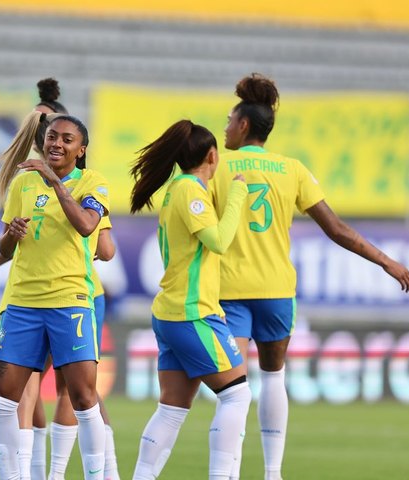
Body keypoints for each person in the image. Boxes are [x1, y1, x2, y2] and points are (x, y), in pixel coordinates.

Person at [210, 73, 409, 480]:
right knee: (274, 378)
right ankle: (273, 473)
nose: (226, 127)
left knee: (233, 391)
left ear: (244, 125)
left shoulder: (216, 165)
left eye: (230, 120)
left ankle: (227, 473)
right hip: (276, 291)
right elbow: (337, 230)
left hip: (229, 291)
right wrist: (386, 261)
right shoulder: (292, 169)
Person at [0, 78, 121, 480]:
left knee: (83, 396)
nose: (56, 143)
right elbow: (7, 248)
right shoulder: (22, 182)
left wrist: (55, 183)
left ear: (81, 149)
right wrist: (10, 237)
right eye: (51, 136)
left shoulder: (93, 184)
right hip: (22, 302)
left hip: (70, 300)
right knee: (6, 396)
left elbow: (89, 228)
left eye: (66, 139)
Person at [129, 120, 251, 480]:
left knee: (172, 409)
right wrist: (239, 197)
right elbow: (218, 241)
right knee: (236, 396)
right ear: (212, 156)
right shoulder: (189, 191)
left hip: (172, 313)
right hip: (192, 312)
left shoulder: (177, 190)